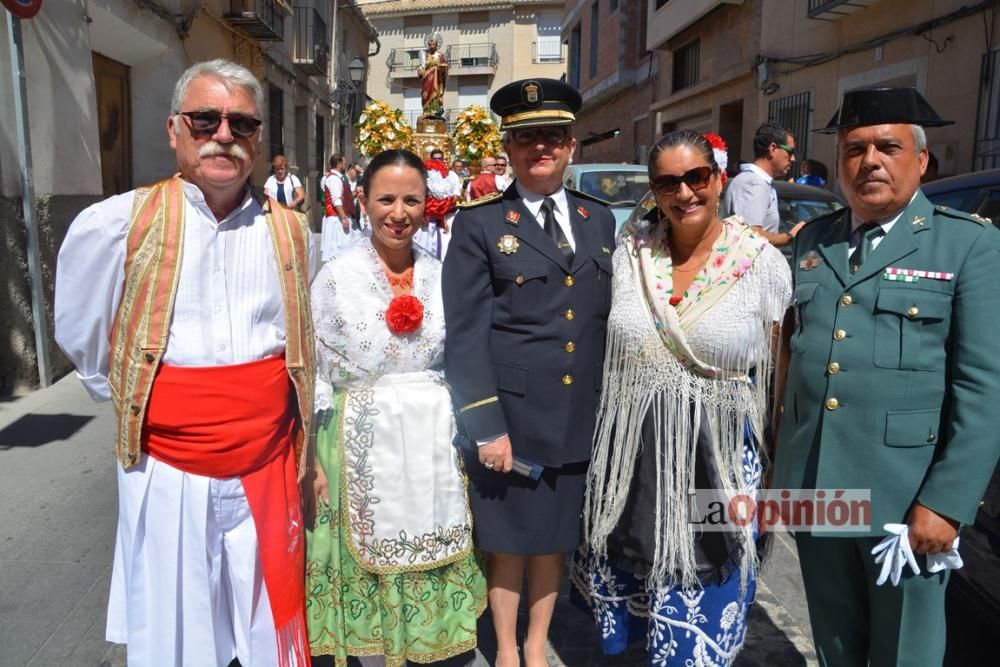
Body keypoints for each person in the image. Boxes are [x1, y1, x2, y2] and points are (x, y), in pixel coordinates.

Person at [54, 58, 314, 667]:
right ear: (175, 130)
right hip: (167, 466)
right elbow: (85, 335)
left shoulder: (292, 231)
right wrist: (150, 402)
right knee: (180, 626)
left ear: (257, 140)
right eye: (205, 120)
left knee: (258, 621)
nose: (223, 135)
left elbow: (299, 341)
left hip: (268, 462)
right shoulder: (120, 222)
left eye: (242, 124)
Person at [772, 86, 1000, 666]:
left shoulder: (967, 244)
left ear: (920, 161)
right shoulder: (814, 242)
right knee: (835, 643)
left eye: (887, 147)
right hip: (818, 492)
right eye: (854, 149)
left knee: (907, 652)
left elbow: (983, 388)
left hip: (907, 499)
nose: (869, 161)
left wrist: (946, 504)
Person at [573, 130, 791, 665]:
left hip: (718, 451)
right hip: (636, 449)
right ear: (654, 191)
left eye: (696, 178)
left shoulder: (759, 260)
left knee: (701, 602)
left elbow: (777, 363)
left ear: (718, 180)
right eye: (668, 182)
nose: (685, 193)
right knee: (637, 592)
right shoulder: (632, 253)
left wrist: (774, 455)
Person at [442, 78, 616, 667]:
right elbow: (465, 335)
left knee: (554, 540)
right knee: (508, 540)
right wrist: (485, 425)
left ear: (571, 146)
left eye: (553, 137)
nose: (540, 148)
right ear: (509, 149)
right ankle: (509, 650)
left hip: (577, 413)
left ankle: (538, 647)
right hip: (512, 416)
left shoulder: (599, 220)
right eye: (526, 138)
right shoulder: (480, 224)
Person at [305, 149, 486, 666]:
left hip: (430, 443)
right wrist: (309, 457)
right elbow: (313, 368)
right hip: (356, 445)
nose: (398, 212)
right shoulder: (335, 277)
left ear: (429, 204)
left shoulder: (441, 274)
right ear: (362, 201)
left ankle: (429, 638)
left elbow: (463, 356)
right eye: (386, 198)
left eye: (412, 199)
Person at [721, 122, 803, 247]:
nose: (793, 159)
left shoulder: (760, 182)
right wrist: (789, 237)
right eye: (790, 152)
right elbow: (750, 235)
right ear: (773, 149)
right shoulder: (754, 183)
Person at [321, 153, 356, 260]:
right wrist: (344, 218)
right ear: (339, 163)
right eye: (344, 163)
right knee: (338, 251)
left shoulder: (339, 178)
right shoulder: (333, 179)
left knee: (345, 250)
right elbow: (336, 200)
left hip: (340, 218)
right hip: (336, 219)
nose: (345, 165)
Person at [418, 34, 448, 119]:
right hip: (427, 79)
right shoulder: (424, 55)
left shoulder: (440, 55)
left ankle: (435, 111)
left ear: (436, 45)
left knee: (436, 95)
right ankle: (426, 111)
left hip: (437, 79)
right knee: (426, 94)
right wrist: (420, 71)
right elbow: (421, 66)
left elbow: (445, 69)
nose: (431, 46)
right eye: (430, 44)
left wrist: (442, 69)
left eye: (433, 44)